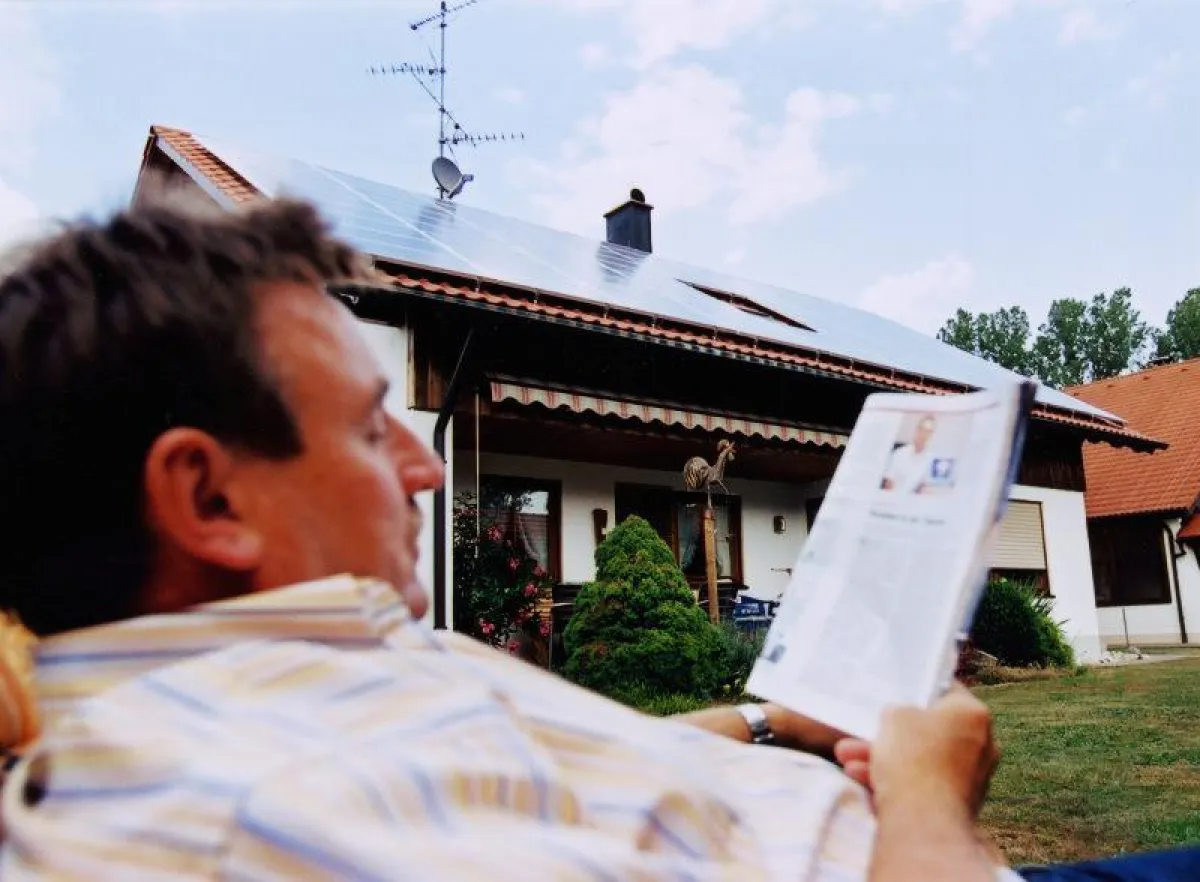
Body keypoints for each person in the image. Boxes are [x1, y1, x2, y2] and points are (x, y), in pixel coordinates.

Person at [0, 191, 1189, 881]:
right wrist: (931, 797)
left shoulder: (282, 692)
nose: (424, 467)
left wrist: (770, 721)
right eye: (367, 431)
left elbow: (514, 772)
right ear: (208, 499)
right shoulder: (246, 818)